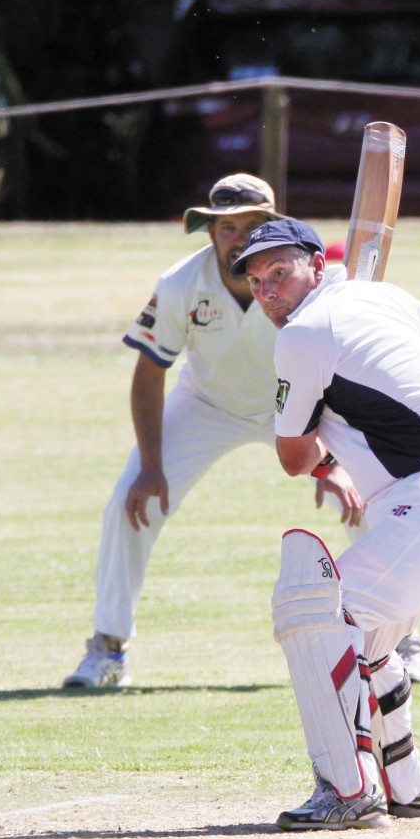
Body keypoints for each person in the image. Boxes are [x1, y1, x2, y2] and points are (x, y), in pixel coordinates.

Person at [235, 220, 420, 829]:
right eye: (256, 282)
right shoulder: (382, 298)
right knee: (372, 641)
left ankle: (348, 789)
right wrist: (369, 397)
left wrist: (331, 414)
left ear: (316, 266)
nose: (268, 292)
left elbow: (293, 458)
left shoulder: (302, 337)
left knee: (320, 614)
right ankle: (406, 783)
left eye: (280, 273)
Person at [64, 175, 370, 687]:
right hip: (209, 403)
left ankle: (399, 642)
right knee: (131, 500)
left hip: (294, 401)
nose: (236, 237)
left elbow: (334, 366)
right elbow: (149, 371)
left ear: (271, 228)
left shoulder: (303, 280)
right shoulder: (180, 284)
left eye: (250, 225)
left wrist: (332, 462)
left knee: (367, 490)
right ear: (208, 231)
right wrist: (153, 468)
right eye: (226, 226)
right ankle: (107, 649)